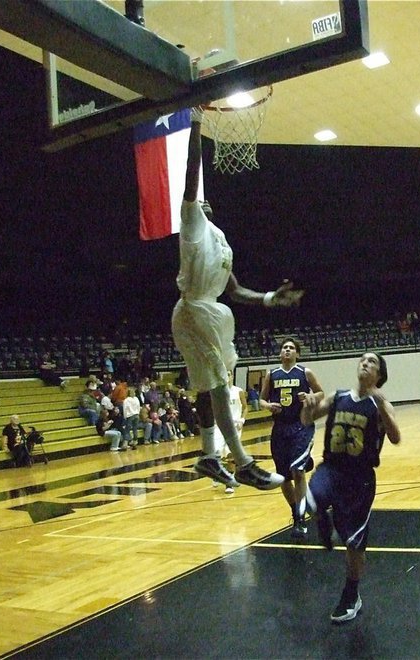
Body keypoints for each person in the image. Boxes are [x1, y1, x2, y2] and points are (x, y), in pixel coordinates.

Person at [171, 107, 302, 490]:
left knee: (208, 385)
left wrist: (267, 299)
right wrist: (196, 125)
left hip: (205, 308)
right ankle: (242, 462)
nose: (201, 203)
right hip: (194, 307)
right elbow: (191, 180)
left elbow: (234, 289)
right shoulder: (191, 222)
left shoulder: (220, 240)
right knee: (217, 383)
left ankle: (210, 456)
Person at [300, 352, 401, 623]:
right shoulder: (338, 396)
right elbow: (306, 420)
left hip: (360, 479)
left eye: (373, 362)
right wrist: (309, 404)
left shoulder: (380, 404)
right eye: (363, 360)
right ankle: (323, 521)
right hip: (331, 469)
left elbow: (395, 438)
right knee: (309, 502)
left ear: (380, 375)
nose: (365, 363)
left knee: (355, 542)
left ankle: (351, 595)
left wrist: (382, 409)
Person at [260, 337, 324, 538]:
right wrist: (268, 406)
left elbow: (321, 393)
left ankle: (300, 516)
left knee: (297, 470)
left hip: (301, 426)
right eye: (284, 348)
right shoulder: (272, 374)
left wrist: (311, 397)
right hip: (280, 428)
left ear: (297, 353)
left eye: (291, 348)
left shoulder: (305, 372)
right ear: (280, 353)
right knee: (283, 477)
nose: (287, 350)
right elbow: (261, 399)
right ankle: (295, 512)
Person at [211, 371, 246, 494]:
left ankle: (229, 483)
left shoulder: (238, 391)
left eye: (229, 374)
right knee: (216, 453)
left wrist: (242, 420)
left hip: (235, 425)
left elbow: (245, 407)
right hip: (219, 425)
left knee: (231, 454)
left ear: (232, 376)